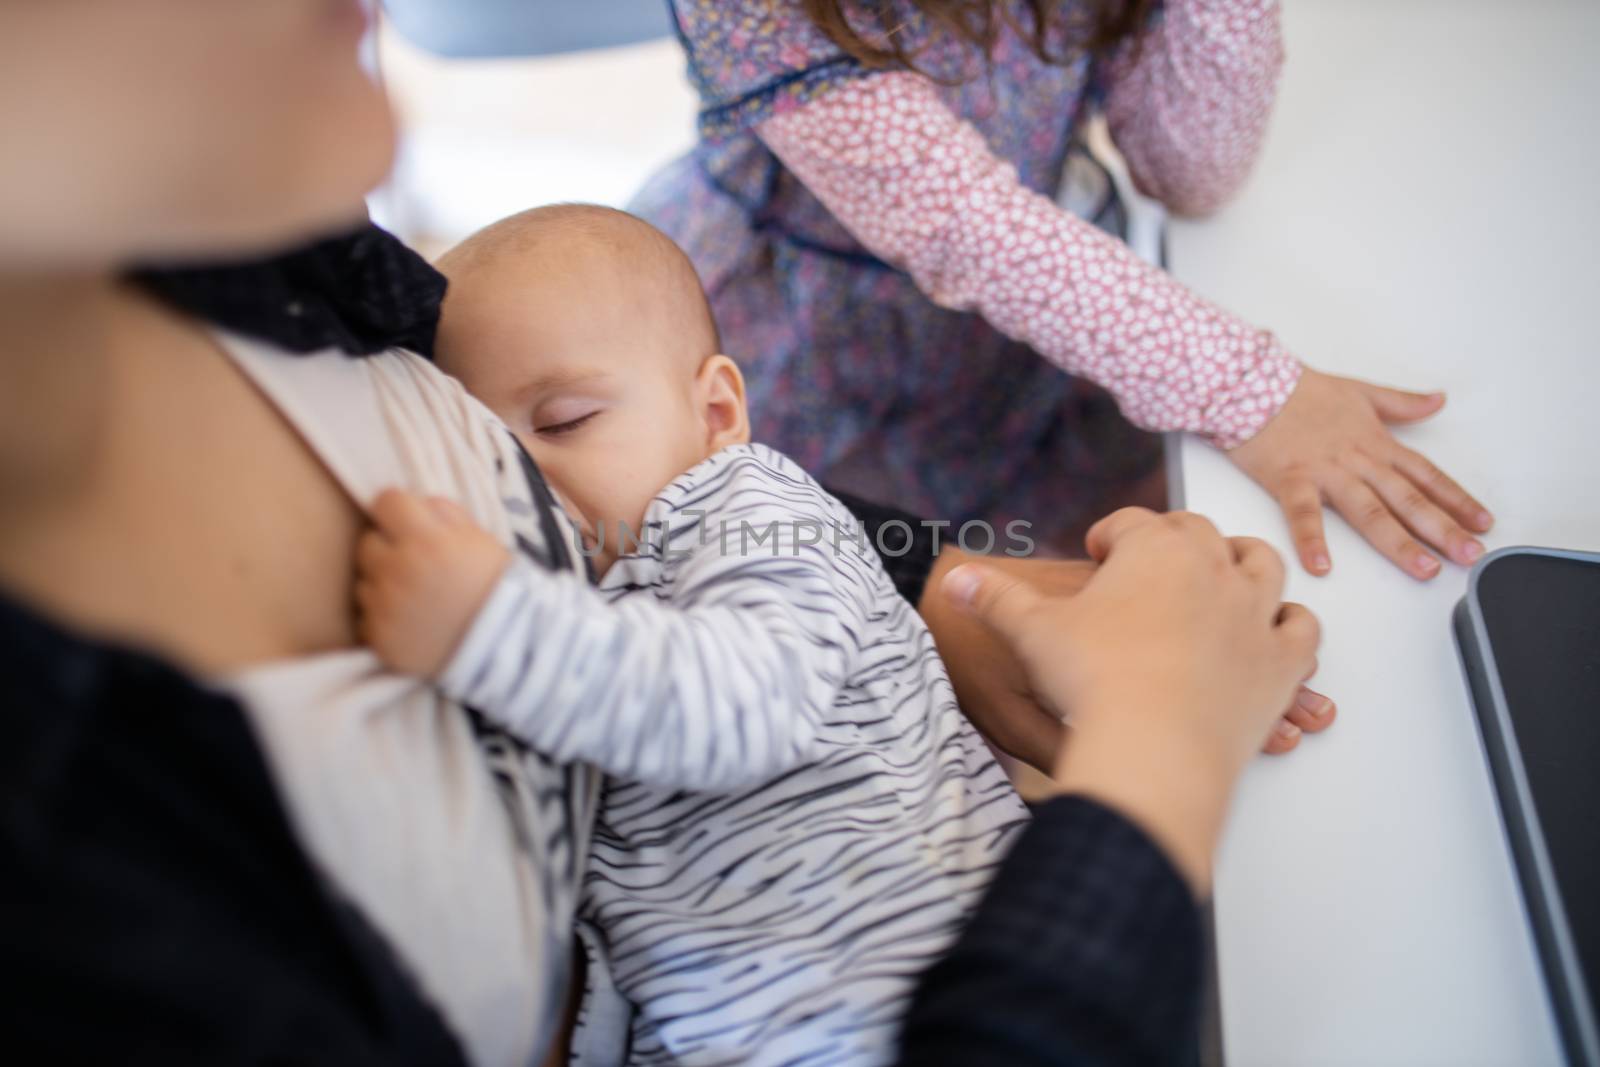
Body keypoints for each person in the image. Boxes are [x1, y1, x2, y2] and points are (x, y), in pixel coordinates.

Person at [0, 2, 1321, 1063]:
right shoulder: (85, 874)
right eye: (515, 442)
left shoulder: (264, 244)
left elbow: (711, 508)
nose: (536, 490)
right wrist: (1157, 749)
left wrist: (911, 604)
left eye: (561, 420)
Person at [357, 203, 1034, 1064]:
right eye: (487, 458)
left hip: (913, 997)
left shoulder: (752, 511)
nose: (529, 481)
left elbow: (745, 708)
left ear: (715, 412)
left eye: (564, 421)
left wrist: (488, 625)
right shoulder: (586, 610)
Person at [636, 0, 1494, 579]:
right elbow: (963, 224)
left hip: (1029, 336)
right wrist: (1256, 394)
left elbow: (1189, 174)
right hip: (807, 338)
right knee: (846, 590)